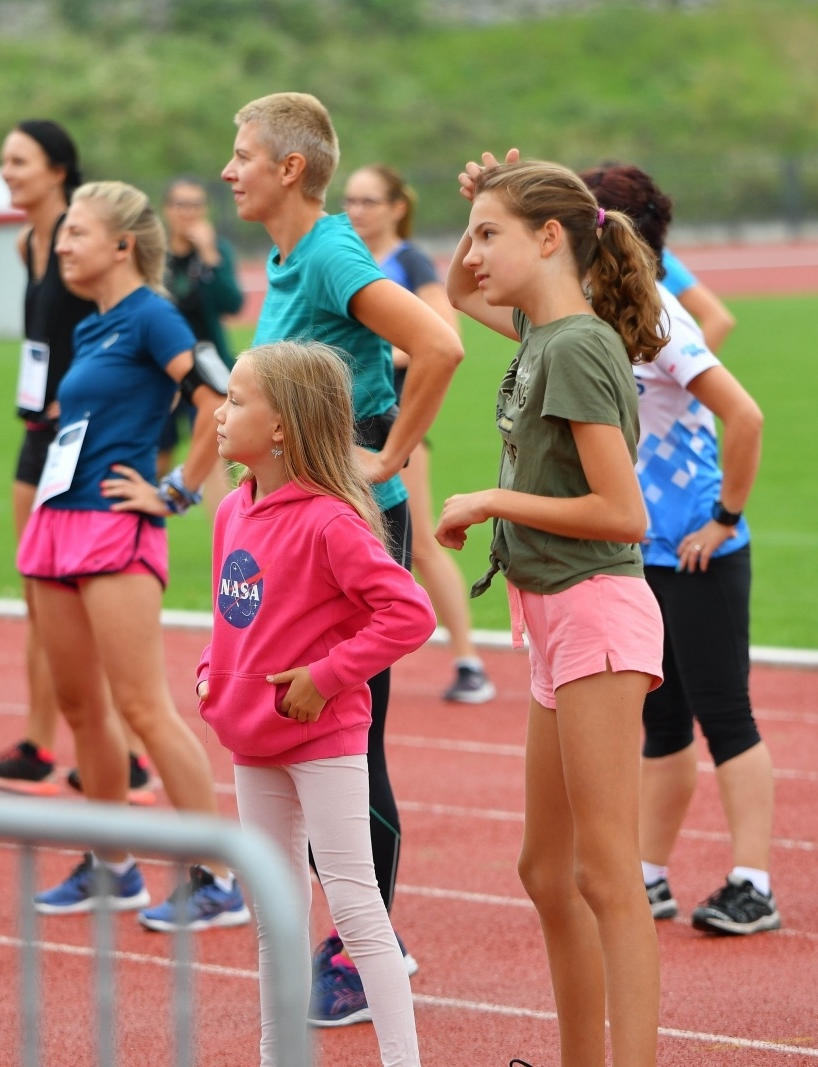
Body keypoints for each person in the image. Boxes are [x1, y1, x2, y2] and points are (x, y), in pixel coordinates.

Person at [222, 93, 464, 1017]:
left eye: (243, 155)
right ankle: (355, 935)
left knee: (346, 737)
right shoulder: (289, 258)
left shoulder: (327, 252)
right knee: (307, 725)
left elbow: (436, 344)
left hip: (353, 521)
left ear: (290, 168)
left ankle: (369, 946)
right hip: (299, 521)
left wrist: (393, 453)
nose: (228, 169)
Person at [441, 151, 668, 1067]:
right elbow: (458, 291)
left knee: (607, 875)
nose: (474, 252)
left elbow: (624, 514)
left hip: (596, 614)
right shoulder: (544, 331)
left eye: (493, 235)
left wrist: (490, 502)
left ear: (549, 239)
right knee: (545, 870)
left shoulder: (574, 343)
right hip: (552, 614)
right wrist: (481, 207)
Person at [18, 179, 246, 930]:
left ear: (122, 245)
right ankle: (112, 864)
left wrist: (177, 489)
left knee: (143, 706)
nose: (63, 246)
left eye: (76, 233)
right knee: (83, 708)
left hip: (116, 526)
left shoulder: (153, 315)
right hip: (58, 523)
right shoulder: (93, 325)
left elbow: (221, 400)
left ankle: (220, 874)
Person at [200, 340, 435, 1060]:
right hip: (250, 739)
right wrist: (211, 671)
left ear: (280, 427)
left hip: (323, 736)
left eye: (237, 400)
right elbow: (229, 614)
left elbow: (409, 613)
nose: (218, 411)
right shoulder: (230, 511)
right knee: (276, 913)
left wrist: (325, 676)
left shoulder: (331, 520)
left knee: (357, 907)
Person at [575, 161, 777, 937]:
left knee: (727, 716)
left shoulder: (660, 318)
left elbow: (746, 416)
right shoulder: (598, 315)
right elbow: (468, 301)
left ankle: (753, 881)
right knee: (661, 722)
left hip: (699, 551)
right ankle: (650, 872)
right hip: (641, 552)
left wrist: (723, 519)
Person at [0, 119, 101, 797]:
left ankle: (119, 752)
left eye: (18, 161)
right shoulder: (29, 243)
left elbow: (125, 317)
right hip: (38, 432)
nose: (6, 171)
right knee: (37, 596)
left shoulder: (85, 234)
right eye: (4, 159)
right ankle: (39, 744)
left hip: (84, 435)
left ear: (58, 169)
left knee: (81, 599)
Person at [344, 163, 495, 705]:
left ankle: (469, 661)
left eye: (369, 201)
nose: (357, 211)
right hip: (358, 430)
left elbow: (444, 331)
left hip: (398, 427)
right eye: (351, 201)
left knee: (422, 545)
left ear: (396, 207)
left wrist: (370, 354)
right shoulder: (350, 259)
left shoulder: (405, 260)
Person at [162, 176, 245, 512]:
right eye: (181, 204)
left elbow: (232, 304)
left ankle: (225, 552)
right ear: (168, 210)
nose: (188, 213)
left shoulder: (214, 251)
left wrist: (209, 254)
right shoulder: (156, 253)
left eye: (196, 205)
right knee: (156, 455)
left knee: (215, 454)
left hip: (209, 367)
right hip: (164, 369)